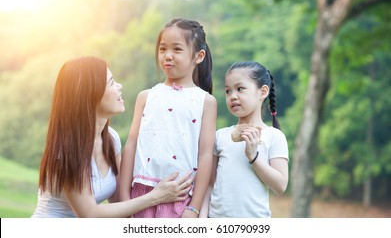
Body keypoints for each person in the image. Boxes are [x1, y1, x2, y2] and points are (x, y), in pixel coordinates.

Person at [32, 56, 193, 218]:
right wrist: (155, 197)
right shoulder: (67, 151)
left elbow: (118, 202)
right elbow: (89, 214)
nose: (119, 87)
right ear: (89, 95)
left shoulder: (110, 139)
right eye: (111, 83)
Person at [119, 18, 217, 218]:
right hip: (141, 195)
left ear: (198, 56)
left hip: (180, 198)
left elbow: (206, 155)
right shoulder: (146, 97)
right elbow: (131, 145)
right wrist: (124, 200)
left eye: (177, 49)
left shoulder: (205, 101)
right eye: (163, 49)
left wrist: (194, 208)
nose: (167, 56)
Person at [200, 61, 289, 218]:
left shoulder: (274, 136)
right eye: (228, 91)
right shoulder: (220, 136)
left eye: (240, 89)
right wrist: (202, 218)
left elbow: (280, 185)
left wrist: (253, 157)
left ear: (263, 92)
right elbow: (210, 183)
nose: (233, 96)